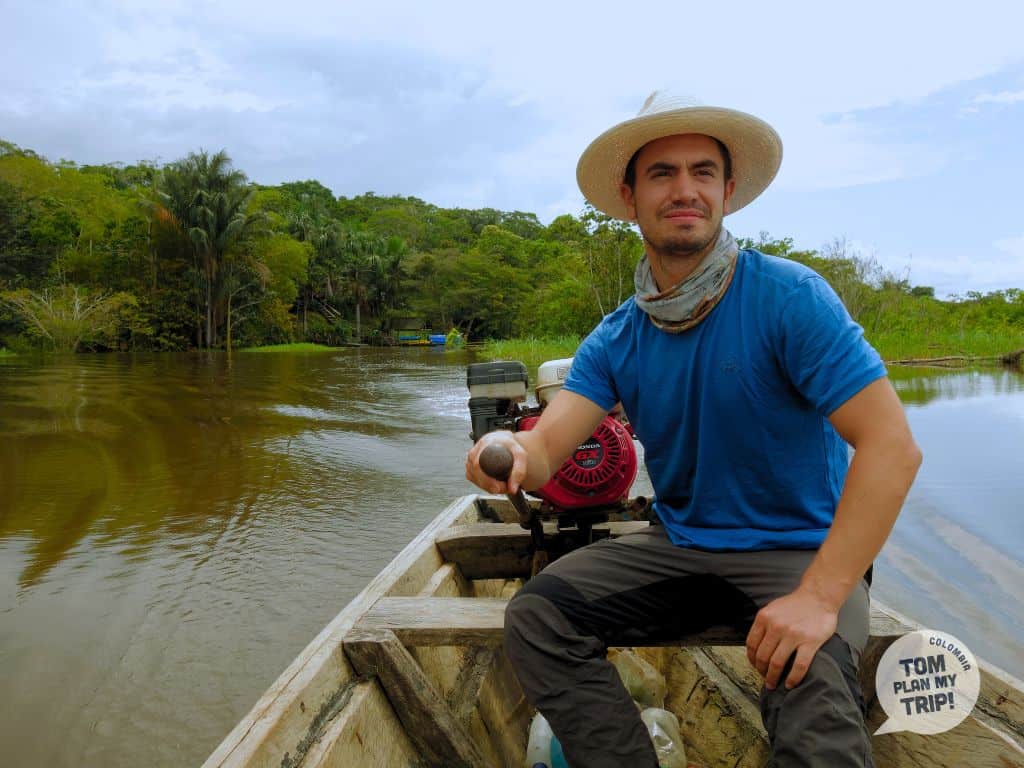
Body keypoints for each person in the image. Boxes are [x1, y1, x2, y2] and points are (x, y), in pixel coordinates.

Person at [465, 91, 922, 767]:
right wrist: (501, 452)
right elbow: (544, 446)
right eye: (662, 173)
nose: (685, 190)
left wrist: (821, 597)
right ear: (629, 196)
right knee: (538, 619)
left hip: (800, 554)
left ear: (728, 191)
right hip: (682, 547)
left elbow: (891, 447)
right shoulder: (618, 335)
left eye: (702, 172)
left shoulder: (790, 299)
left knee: (814, 682)